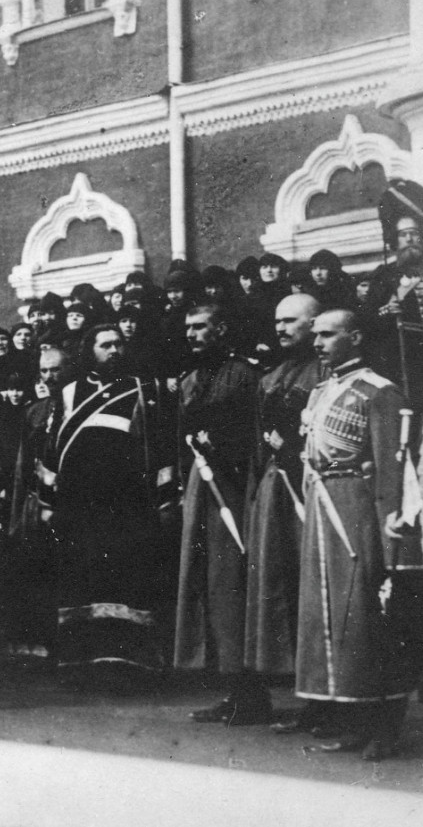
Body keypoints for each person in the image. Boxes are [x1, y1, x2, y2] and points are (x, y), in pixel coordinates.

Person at [295, 308, 418, 760]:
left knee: (368, 615)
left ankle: (385, 727)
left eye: (329, 334)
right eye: (315, 335)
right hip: (323, 507)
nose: (318, 343)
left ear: (356, 337)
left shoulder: (379, 392)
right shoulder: (321, 390)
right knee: (333, 619)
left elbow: (392, 470)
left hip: (359, 511)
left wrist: (392, 541)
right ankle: (353, 719)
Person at [47, 325, 174, 679]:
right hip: (79, 504)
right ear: (91, 350)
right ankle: (81, 662)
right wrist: (47, 501)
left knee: (126, 578)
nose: (114, 350)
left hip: (127, 503)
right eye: (106, 345)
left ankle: (130, 662)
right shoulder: (69, 392)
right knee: (83, 578)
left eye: (119, 344)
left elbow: (160, 446)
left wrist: (165, 499)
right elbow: (51, 449)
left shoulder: (143, 389)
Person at [173, 303, 267, 725]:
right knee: (208, 584)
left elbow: (253, 436)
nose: (192, 334)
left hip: (233, 489)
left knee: (232, 585)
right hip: (201, 488)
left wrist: (221, 446)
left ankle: (251, 693)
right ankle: (232, 688)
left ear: (221, 329)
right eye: (188, 328)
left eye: (200, 327)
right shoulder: (189, 380)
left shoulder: (244, 376)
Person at [241, 295, 326, 734]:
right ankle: (297, 689)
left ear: (313, 323)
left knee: (313, 589)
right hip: (275, 491)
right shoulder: (271, 375)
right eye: (277, 321)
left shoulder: (325, 373)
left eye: (291, 321)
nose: (281, 328)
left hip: (310, 491)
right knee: (279, 585)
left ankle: (323, 699)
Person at [359, 179, 423, 432]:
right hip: (399, 357)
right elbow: (366, 320)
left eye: (415, 234)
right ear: (395, 241)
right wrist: (387, 311)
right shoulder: (383, 276)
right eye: (403, 234)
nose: (410, 239)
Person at [7, 346, 77, 659]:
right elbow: (22, 466)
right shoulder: (35, 412)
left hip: (72, 504)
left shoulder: (81, 405)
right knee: (41, 573)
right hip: (39, 507)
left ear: (69, 369)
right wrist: (18, 516)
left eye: (56, 370)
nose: (49, 377)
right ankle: (46, 643)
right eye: (44, 371)